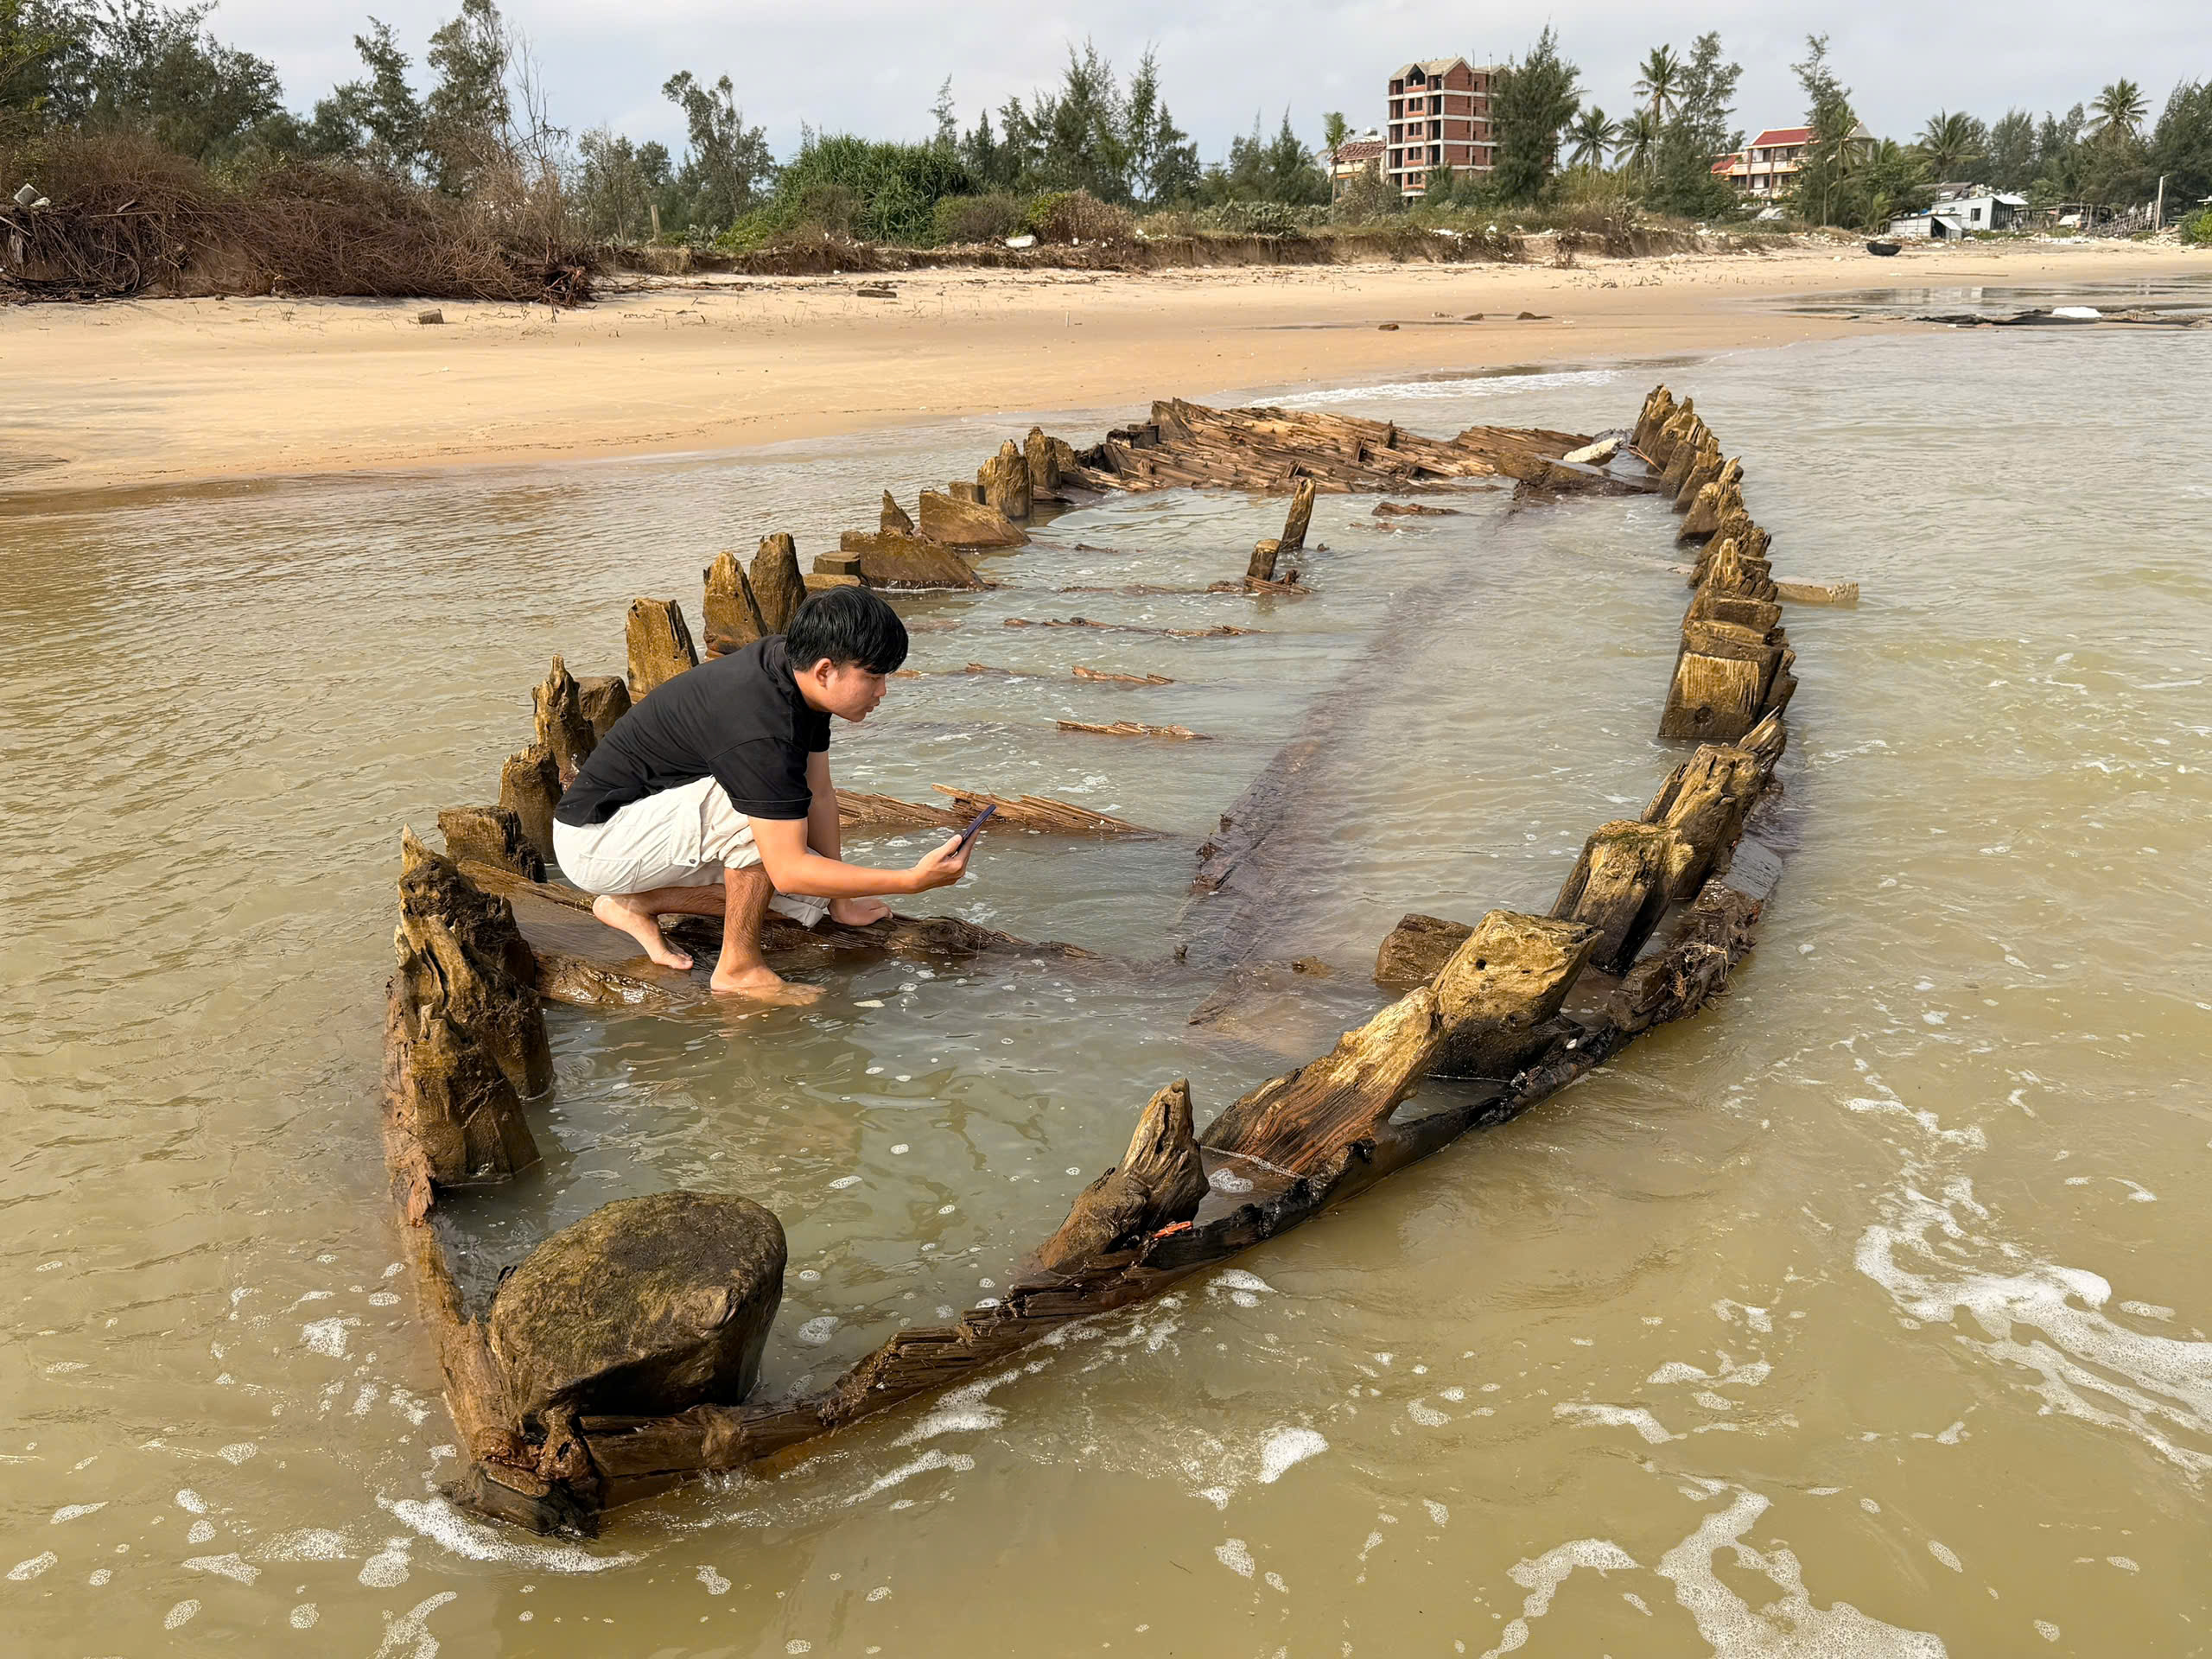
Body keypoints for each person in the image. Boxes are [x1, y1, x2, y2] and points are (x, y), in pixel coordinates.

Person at [550, 587, 971, 1003]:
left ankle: (635, 905)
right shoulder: (760, 725)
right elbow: (787, 867)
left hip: (650, 823)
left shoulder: (794, 675)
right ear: (826, 670)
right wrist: (910, 881)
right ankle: (738, 969)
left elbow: (820, 792)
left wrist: (840, 902)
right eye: (874, 677)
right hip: (597, 839)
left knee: (809, 897)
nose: (882, 692)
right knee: (763, 823)